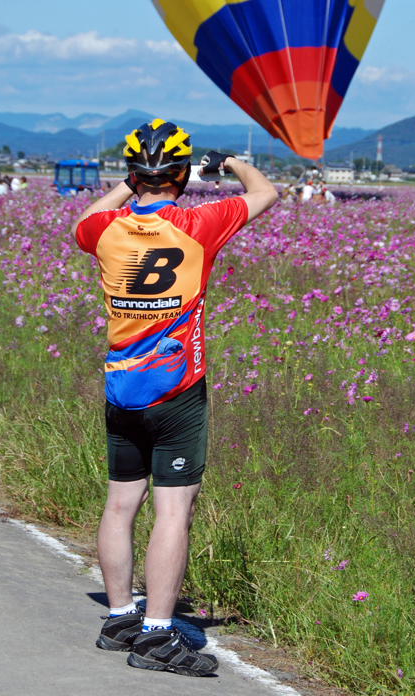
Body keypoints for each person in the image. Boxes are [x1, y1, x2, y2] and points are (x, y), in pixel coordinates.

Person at [72, 118, 277, 676]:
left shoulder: (105, 230)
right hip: (178, 389)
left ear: (133, 175)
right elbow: (266, 193)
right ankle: (157, 637)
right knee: (173, 512)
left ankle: (119, 618)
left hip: (121, 389)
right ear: (182, 175)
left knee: (120, 504)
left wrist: (128, 186)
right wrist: (230, 163)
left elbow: (84, 220)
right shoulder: (198, 223)